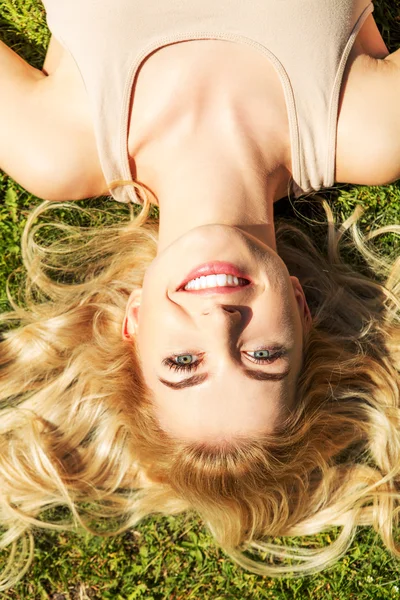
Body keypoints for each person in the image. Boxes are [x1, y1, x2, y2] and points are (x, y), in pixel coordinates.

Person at [0, 0, 399, 589]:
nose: (220, 322)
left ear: (131, 324)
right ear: (301, 308)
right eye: (262, 356)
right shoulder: (368, 130)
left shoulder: (57, 147)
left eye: (184, 362)